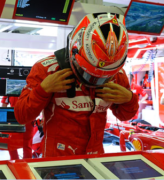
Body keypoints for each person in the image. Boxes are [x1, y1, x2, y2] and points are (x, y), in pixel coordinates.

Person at [14, 13, 139, 157]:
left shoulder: (119, 75)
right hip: (57, 163)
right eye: (90, 73)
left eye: (105, 76)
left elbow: (125, 116)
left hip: (95, 158)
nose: (97, 80)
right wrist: (43, 90)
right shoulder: (46, 69)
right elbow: (21, 117)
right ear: (75, 51)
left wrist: (129, 99)